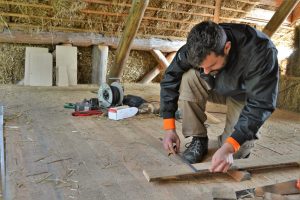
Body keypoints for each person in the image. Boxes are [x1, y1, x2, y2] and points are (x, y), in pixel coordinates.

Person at [160, 21, 279, 173]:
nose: (206, 71)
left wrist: (230, 146)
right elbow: (170, 78)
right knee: (190, 77)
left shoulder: (261, 51)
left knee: (237, 151)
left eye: (211, 65)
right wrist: (169, 128)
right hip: (216, 85)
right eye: (202, 66)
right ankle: (199, 139)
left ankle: (231, 146)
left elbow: (261, 103)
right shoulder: (194, 48)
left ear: (227, 47)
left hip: (244, 95)